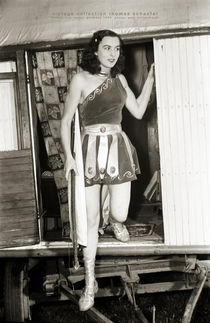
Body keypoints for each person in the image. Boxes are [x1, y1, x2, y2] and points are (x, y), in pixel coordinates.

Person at [61, 29, 155, 311]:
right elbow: (65, 121)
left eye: (117, 48)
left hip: (117, 149)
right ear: (96, 50)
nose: (113, 53)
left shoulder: (120, 80)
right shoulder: (80, 79)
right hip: (89, 151)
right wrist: (68, 156)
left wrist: (150, 78)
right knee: (90, 222)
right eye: (107, 48)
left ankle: (114, 221)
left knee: (121, 212)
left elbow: (137, 111)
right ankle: (90, 283)